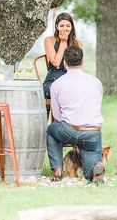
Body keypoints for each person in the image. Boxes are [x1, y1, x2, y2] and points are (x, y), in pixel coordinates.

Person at [46, 45, 104, 183]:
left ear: (65, 63)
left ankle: (57, 169)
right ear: (82, 62)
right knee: (89, 174)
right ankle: (96, 170)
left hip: (69, 130)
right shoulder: (96, 82)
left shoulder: (57, 84)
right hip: (93, 133)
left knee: (51, 130)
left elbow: (57, 115)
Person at [43, 13, 82, 99]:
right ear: (57, 26)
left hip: (72, 77)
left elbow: (79, 64)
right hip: (53, 78)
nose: (65, 28)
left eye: (68, 26)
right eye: (62, 26)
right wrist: (63, 42)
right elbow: (56, 63)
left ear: (72, 27)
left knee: (81, 91)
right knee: (56, 92)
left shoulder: (77, 43)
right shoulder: (49, 40)